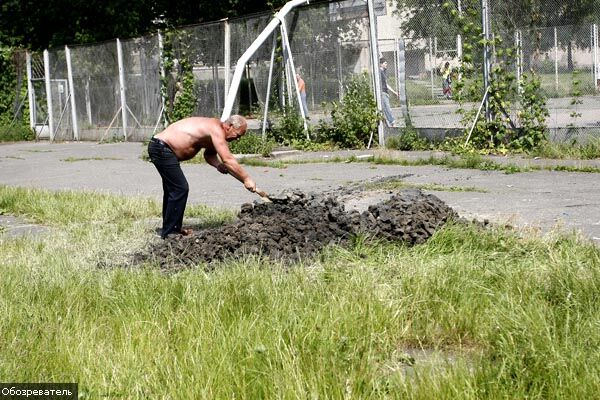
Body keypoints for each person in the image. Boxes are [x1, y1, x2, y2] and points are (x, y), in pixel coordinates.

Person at [147, 115, 257, 239]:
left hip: (162, 148)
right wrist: (246, 179)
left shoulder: (215, 131)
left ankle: (171, 229)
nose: (237, 139)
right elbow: (228, 159)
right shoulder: (216, 129)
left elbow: (209, 154)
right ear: (229, 126)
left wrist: (217, 165)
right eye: (237, 135)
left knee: (173, 190)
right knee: (180, 188)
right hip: (162, 147)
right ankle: (171, 232)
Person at [379, 58, 396, 127]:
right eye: (385, 63)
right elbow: (385, 84)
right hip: (383, 92)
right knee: (387, 108)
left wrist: (393, 92)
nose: (386, 64)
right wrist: (393, 92)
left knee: (385, 108)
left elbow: (386, 83)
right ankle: (392, 122)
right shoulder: (380, 72)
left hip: (385, 92)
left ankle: (388, 122)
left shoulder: (384, 72)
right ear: (381, 64)